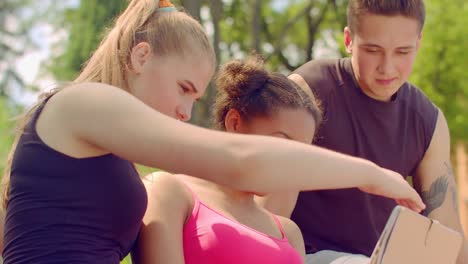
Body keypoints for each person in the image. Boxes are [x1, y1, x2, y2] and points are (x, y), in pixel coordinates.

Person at [0, 0, 424, 263]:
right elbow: (242, 162)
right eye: (184, 89)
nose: (186, 111)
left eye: (195, 97)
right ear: (142, 56)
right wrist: (370, 174)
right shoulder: (83, 103)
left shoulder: (110, 149)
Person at [259, 0, 467, 263]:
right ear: (349, 40)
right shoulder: (307, 91)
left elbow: (449, 234)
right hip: (305, 255)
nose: (387, 67)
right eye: (372, 50)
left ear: (419, 42)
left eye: (403, 52)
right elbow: (269, 219)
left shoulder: (429, 120)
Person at [133, 56, 318, 263]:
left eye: (301, 153)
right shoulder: (169, 191)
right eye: (282, 143)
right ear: (234, 122)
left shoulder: (290, 233)